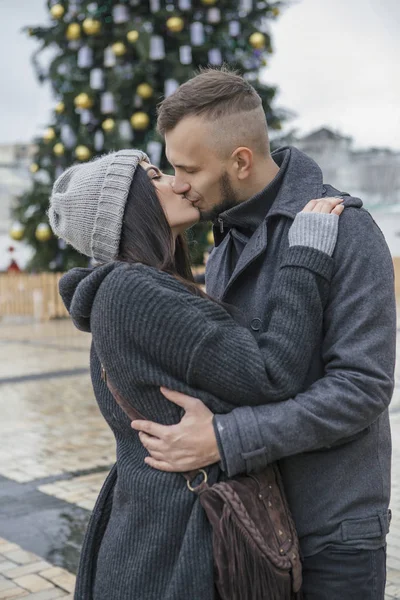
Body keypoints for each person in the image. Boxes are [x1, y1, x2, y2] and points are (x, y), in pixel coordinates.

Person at [130, 68, 396, 599]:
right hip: (255, 520)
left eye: (187, 169)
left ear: (241, 161)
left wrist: (226, 439)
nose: (178, 183)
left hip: (334, 528)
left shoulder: (345, 227)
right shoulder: (226, 240)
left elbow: (362, 389)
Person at [49, 148, 343, 599]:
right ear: (125, 209)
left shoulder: (129, 291)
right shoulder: (134, 292)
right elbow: (272, 375)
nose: (178, 182)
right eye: (155, 177)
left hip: (150, 532)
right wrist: (306, 255)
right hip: (177, 547)